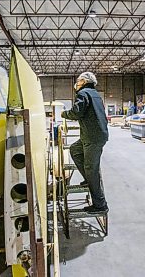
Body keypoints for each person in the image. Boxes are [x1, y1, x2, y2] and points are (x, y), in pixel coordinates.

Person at [61, 72, 109, 214]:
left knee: (91, 169)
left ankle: (100, 205)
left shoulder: (83, 94)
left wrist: (63, 113)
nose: (77, 83)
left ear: (84, 81)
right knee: (75, 150)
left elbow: (76, 113)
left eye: (78, 80)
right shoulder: (94, 94)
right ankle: (89, 179)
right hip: (93, 134)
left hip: (92, 137)